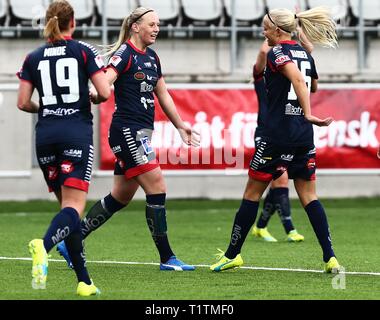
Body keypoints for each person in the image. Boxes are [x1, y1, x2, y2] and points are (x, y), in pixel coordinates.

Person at [56, 7, 200, 271]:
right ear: (135, 27)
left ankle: (70, 241)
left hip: (141, 133)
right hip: (127, 132)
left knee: (120, 196)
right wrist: (97, 92)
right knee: (157, 186)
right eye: (152, 24)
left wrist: (180, 126)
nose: (157, 28)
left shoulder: (153, 57)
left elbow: (163, 94)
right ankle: (168, 258)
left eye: (158, 24)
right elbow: (107, 80)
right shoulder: (125, 53)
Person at [210, 7, 342, 273]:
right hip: (303, 137)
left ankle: (232, 254)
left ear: (278, 31)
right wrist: (304, 113)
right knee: (309, 196)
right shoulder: (305, 53)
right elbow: (312, 85)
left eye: (265, 27)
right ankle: (330, 257)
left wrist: (308, 114)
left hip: (277, 135)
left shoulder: (277, 53)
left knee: (251, 194)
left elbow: (297, 80)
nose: (263, 32)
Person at [17, 0, 110, 296]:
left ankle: (84, 281)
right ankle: (42, 246)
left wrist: (45, 107)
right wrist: (92, 97)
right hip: (75, 134)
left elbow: (22, 103)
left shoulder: (33, 57)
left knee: (67, 210)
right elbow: (104, 92)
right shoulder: (83, 51)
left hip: (45, 136)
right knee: (73, 207)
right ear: (74, 22)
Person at [251, 31, 313, 243]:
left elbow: (306, 52)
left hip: (285, 133)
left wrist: (298, 29)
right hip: (266, 133)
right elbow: (262, 51)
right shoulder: (261, 76)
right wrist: (273, 31)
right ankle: (289, 228)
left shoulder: (284, 76)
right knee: (281, 179)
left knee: (277, 179)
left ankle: (260, 226)